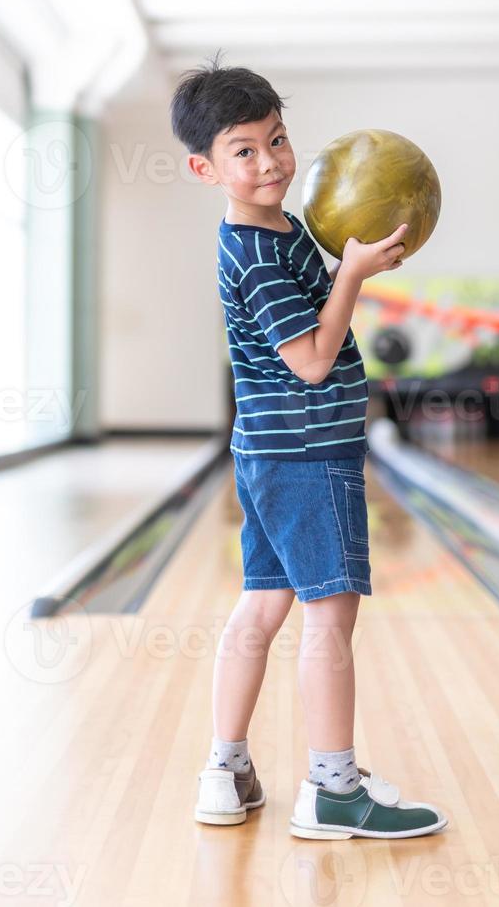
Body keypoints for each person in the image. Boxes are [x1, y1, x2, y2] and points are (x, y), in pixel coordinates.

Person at [169, 50, 448, 840]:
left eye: (277, 138)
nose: (270, 162)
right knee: (330, 616)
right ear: (205, 167)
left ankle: (224, 770)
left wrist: (344, 267)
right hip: (305, 453)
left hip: (270, 450)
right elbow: (314, 360)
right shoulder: (255, 253)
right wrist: (353, 275)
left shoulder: (277, 227)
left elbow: (309, 319)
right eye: (244, 151)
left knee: (261, 606)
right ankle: (332, 789)